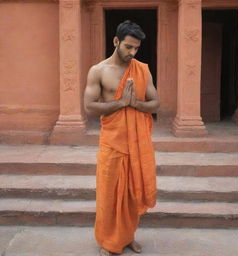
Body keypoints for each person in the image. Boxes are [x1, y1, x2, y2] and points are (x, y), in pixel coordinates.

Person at [84, 20, 160, 256]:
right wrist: (120, 103)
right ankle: (108, 241)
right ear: (116, 41)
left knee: (130, 196)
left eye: (136, 48)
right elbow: (89, 106)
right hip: (112, 143)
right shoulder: (98, 71)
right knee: (109, 195)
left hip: (137, 144)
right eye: (128, 47)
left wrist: (135, 103)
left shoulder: (142, 69)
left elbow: (155, 102)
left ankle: (127, 237)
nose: (132, 53)